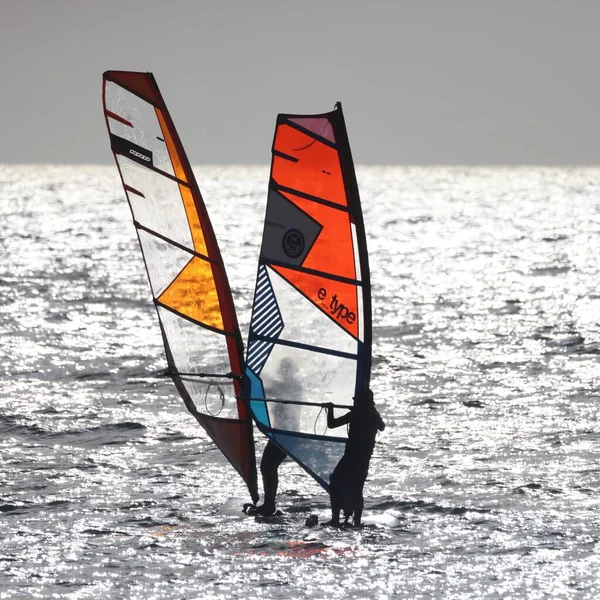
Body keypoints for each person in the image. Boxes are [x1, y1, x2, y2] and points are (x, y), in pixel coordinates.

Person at [246, 358, 302, 516]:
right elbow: (269, 389)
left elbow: (269, 389)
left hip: (286, 434)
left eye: (284, 369)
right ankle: (269, 503)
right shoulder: (287, 385)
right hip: (283, 433)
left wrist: (248, 376)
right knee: (269, 467)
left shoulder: (293, 386)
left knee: (266, 466)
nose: (282, 371)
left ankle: (269, 505)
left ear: (289, 371)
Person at [323, 388, 385, 526]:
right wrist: (373, 413)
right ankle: (357, 521)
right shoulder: (373, 415)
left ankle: (335, 519)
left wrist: (331, 409)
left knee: (335, 482)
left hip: (351, 457)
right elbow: (382, 427)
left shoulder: (356, 414)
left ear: (361, 403)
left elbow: (332, 424)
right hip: (363, 460)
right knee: (357, 489)